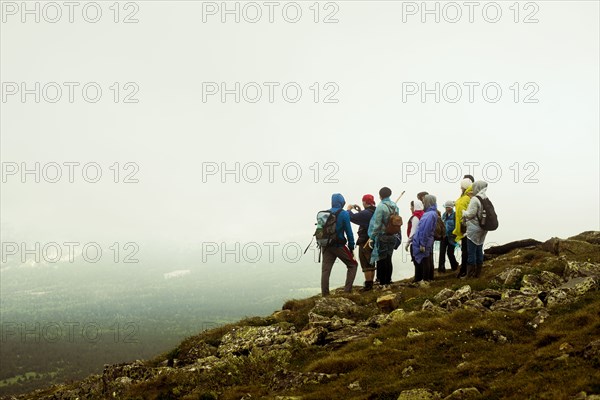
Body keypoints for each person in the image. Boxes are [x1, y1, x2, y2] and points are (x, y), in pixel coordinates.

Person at [321, 193, 358, 296]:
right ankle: (347, 291)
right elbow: (349, 232)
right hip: (338, 245)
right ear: (342, 202)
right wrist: (351, 246)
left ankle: (325, 295)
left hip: (325, 245)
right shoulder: (344, 214)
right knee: (353, 265)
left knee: (326, 270)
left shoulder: (325, 213)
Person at [367, 187, 398, 288]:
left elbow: (377, 224)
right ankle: (388, 281)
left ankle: (383, 283)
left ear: (380, 195)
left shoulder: (381, 206)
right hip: (393, 235)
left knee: (382, 259)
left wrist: (372, 237)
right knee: (389, 258)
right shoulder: (395, 206)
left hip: (383, 236)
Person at [347, 194, 377, 291]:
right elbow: (365, 220)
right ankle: (371, 283)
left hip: (365, 240)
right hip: (373, 240)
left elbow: (352, 217)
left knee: (366, 263)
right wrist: (360, 211)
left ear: (364, 202)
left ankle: (368, 285)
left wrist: (349, 209)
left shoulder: (366, 213)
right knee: (372, 262)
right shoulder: (375, 211)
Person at [461, 181, 489, 278]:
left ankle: (470, 275)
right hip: (483, 228)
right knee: (479, 250)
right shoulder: (485, 198)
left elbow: (470, 214)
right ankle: (478, 273)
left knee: (471, 251)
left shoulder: (475, 199)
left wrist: (463, 212)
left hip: (473, 229)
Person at [412, 194, 438, 281]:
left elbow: (426, 229)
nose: (423, 203)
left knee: (426, 259)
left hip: (425, 241)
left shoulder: (430, 214)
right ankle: (427, 279)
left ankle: (426, 280)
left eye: (424, 201)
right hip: (424, 240)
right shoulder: (429, 213)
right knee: (426, 259)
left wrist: (422, 243)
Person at [453, 179, 473, 278]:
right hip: (468, 228)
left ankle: (464, 271)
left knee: (465, 250)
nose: (460, 188)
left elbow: (461, 215)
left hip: (465, 228)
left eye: (461, 186)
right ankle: (465, 270)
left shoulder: (465, 198)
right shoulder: (468, 197)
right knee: (467, 250)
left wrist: (462, 229)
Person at [405, 199, 424, 282]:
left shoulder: (416, 217)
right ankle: (420, 278)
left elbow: (413, 231)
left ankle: (417, 278)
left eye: (411, 206)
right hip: (422, 241)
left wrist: (408, 242)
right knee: (420, 260)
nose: (410, 208)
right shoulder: (423, 215)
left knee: (416, 260)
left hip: (415, 242)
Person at [438, 200, 459, 273]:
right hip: (444, 236)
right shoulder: (444, 215)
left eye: (448, 207)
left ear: (452, 207)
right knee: (442, 252)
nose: (447, 209)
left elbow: (457, 225)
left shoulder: (455, 215)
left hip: (452, 237)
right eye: (446, 207)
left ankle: (454, 266)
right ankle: (441, 268)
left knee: (450, 252)